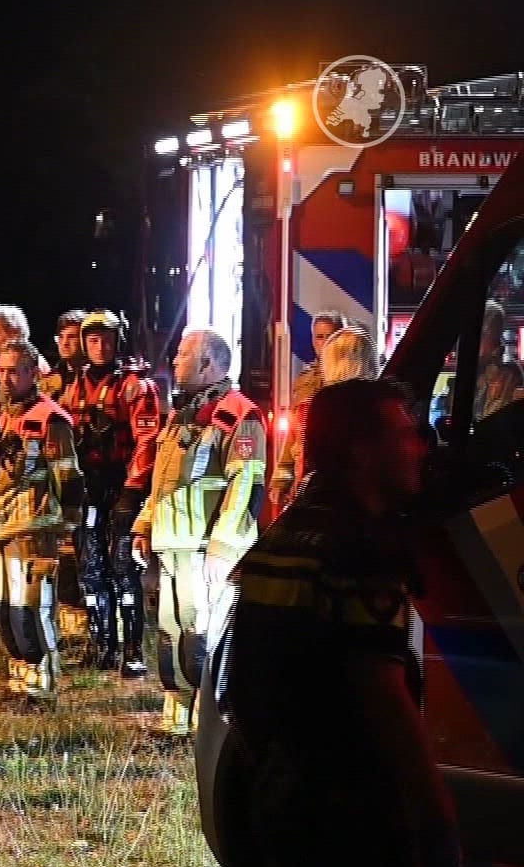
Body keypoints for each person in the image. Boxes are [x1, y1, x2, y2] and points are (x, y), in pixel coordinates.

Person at [234, 378, 461, 867]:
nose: (422, 446)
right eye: (406, 433)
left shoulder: (281, 540)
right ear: (363, 453)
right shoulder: (359, 555)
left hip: (287, 799)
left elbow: (245, 686)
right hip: (352, 815)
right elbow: (385, 708)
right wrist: (438, 836)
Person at [132, 330, 265, 736]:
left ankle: (207, 722)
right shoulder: (181, 416)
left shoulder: (241, 416)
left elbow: (246, 485)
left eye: (182, 355)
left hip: (206, 548)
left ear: (208, 364)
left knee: (202, 634)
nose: (173, 361)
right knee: (170, 631)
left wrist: (224, 546)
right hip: (172, 544)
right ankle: (177, 716)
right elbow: (162, 481)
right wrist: (145, 526)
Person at [0, 338, 83, 704]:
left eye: (14, 372)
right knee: (4, 608)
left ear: (31, 373)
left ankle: (42, 684)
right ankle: (18, 680)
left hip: (35, 527)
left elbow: (69, 478)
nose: (6, 379)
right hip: (1, 524)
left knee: (32, 609)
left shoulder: (50, 419)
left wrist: (68, 532)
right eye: (1, 371)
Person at [61, 311, 162, 675]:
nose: (99, 347)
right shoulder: (74, 385)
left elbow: (147, 440)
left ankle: (133, 651)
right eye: (92, 340)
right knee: (90, 569)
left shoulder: (136, 386)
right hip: (89, 488)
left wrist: (133, 492)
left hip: (121, 487)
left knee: (124, 570)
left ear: (119, 341)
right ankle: (102, 644)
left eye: (106, 339)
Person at [279, 326, 379, 507]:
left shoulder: (311, 409)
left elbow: (302, 463)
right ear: (370, 361)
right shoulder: (384, 407)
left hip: (323, 510)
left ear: (330, 364)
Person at [267, 311, 345, 514]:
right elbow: (293, 434)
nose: (325, 342)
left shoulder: (350, 378)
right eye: (320, 337)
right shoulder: (304, 381)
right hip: (303, 474)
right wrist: (281, 479)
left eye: (331, 336)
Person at [40, 309, 87, 402]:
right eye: (61, 337)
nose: (64, 343)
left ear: (85, 340)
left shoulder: (93, 378)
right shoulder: (50, 378)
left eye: (71, 337)